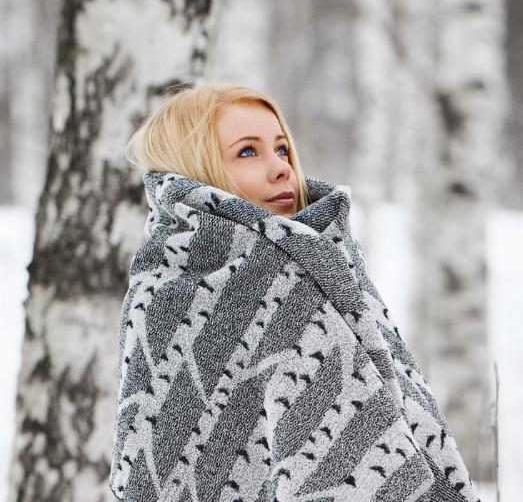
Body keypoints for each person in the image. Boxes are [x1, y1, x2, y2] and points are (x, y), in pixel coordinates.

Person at [109, 82, 481, 502]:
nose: (282, 168)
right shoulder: (168, 286)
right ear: (198, 170)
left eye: (282, 149)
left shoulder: (322, 259)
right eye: (247, 151)